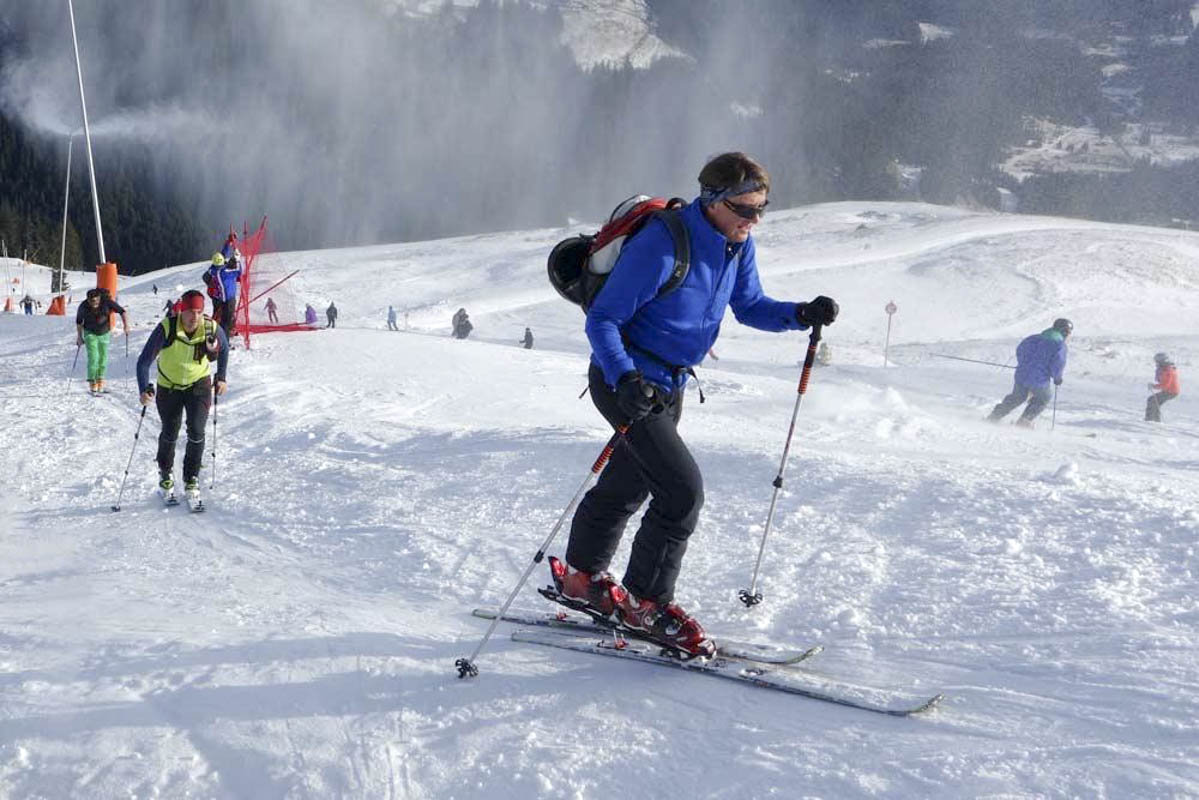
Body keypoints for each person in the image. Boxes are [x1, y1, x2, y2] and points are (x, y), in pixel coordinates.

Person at [548, 151, 839, 657]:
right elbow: (603, 321)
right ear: (712, 200)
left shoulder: (735, 245)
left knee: (629, 479)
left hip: (670, 384)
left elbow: (749, 306)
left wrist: (799, 313)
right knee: (681, 492)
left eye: (762, 209)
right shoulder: (663, 244)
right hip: (627, 382)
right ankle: (647, 604)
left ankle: (581, 578)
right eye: (745, 209)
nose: (754, 220)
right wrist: (626, 379)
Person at [136, 289, 229, 501]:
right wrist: (143, 388)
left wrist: (221, 376)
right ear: (181, 311)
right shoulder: (167, 328)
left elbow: (223, 349)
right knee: (170, 431)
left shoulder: (210, 327)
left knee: (197, 431)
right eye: (189, 311)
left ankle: (191, 477)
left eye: (198, 312)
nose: (193, 317)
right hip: (169, 387)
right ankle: (166, 473)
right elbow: (143, 361)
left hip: (199, 385)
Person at [988, 318, 1072, 428]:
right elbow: (1058, 364)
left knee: (1017, 397)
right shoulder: (1059, 345)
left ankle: (994, 417)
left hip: (1021, 375)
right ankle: (1024, 421)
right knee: (1043, 398)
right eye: (1069, 333)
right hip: (1039, 379)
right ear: (1065, 331)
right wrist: (1057, 378)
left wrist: (1024, 365)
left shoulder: (1033, 338)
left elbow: (1020, 350)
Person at [75, 287, 130, 394]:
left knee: (103, 357)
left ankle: (100, 380)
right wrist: (79, 337)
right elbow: (79, 322)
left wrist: (126, 325)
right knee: (93, 357)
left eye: (95, 300)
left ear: (99, 298)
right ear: (88, 299)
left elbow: (122, 311)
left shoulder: (107, 302)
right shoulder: (83, 306)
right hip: (90, 332)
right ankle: (92, 381)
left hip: (104, 333)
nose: (93, 303)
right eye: (91, 301)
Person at [204, 252, 242, 339]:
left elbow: (220, 258)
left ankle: (225, 332)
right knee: (224, 319)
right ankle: (224, 337)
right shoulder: (225, 273)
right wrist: (238, 260)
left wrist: (228, 244)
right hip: (221, 299)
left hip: (220, 298)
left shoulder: (213, 270)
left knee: (223, 317)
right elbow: (239, 272)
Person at [1146, 352, 1180, 422]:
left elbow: (1165, 385)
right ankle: (1155, 419)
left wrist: (1153, 386)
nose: (1156, 363)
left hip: (1171, 392)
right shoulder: (1166, 369)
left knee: (1152, 400)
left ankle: (1150, 419)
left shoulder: (1167, 370)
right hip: (1169, 391)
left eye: (1157, 361)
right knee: (1154, 401)